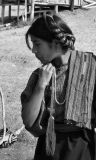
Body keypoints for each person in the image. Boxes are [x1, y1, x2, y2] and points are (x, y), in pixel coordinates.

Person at [21, 13, 96, 160]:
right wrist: (41, 86)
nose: (33, 50)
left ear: (55, 43)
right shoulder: (40, 75)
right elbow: (29, 122)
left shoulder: (90, 66)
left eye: (37, 44)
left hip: (82, 149)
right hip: (48, 149)